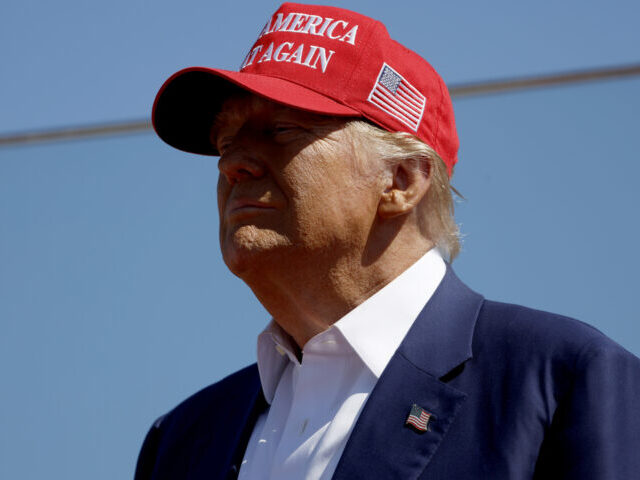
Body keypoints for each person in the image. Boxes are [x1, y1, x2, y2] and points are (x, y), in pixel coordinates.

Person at [136, 3, 640, 479]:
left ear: (401, 180)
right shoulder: (182, 440)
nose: (231, 163)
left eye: (283, 129)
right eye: (226, 143)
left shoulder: (564, 381)